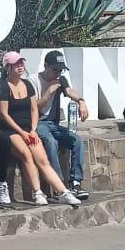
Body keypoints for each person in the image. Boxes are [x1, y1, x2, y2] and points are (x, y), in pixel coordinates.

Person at [0, 53, 80, 207]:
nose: (20, 67)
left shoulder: (27, 85)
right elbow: (4, 114)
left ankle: (63, 191)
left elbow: (34, 109)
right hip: (11, 130)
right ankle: (37, 192)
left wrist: (33, 130)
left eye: (21, 63)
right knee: (26, 154)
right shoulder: (3, 85)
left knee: (42, 160)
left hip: (29, 128)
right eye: (16, 64)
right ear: (8, 67)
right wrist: (22, 133)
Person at [32, 50, 89, 200]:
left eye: (60, 70)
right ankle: (59, 186)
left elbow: (69, 91)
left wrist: (81, 101)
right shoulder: (33, 81)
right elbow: (34, 107)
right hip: (39, 122)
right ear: (46, 66)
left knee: (76, 140)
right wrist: (48, 93)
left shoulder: (60, 79)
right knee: (50, 142)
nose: (57, 73)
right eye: (55, 69)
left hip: (54, 123)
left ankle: (75, 182)